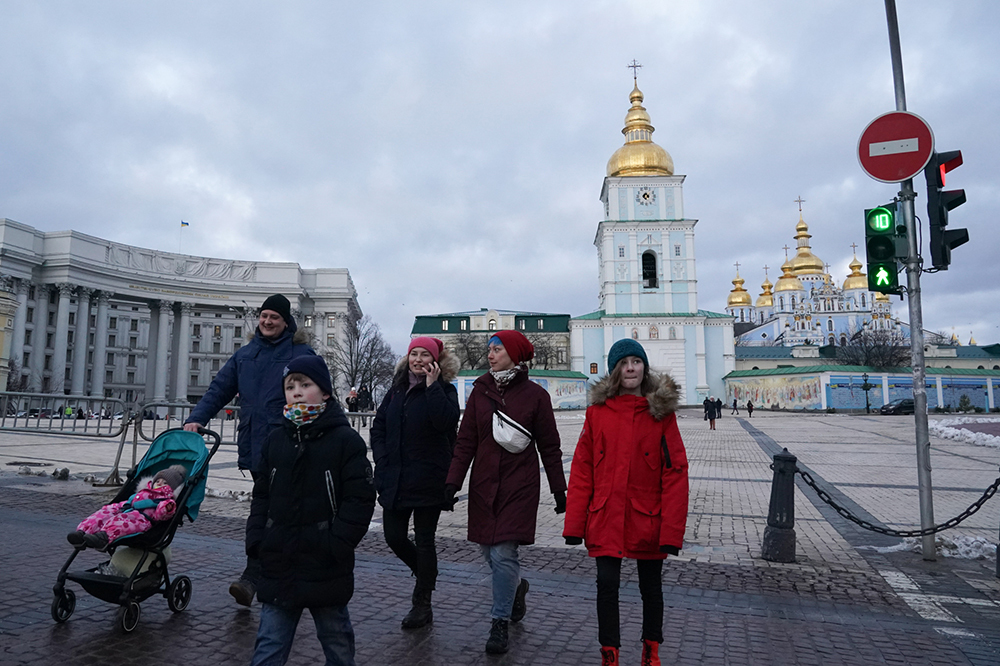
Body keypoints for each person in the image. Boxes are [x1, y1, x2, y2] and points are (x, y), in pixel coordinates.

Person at [563, 339, 689, 666]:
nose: (630, 367)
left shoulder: (660, 415)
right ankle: (610, 653)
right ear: (615, 370)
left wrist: (672, 532)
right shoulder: (597, 414)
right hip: (605, 515)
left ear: (644, 368)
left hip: (648, 517)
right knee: (606, 586)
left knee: (651, 588)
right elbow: (582, 469)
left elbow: (675, 472)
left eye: (636, 361)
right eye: (624, 362)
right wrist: (575, 524)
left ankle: (651, 650)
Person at [184, 294, 315, 606]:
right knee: (263, 511)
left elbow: (317, 397)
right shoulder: (245, 355)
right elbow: (219, 389)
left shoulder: (301, 355)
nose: (267, 322)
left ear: (287, 322)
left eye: (274, 317)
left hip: (290, 448)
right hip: (257, 448)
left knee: (279, 513)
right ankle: (255, 574)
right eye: (264, 316)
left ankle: (259, 575)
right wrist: (196, 418)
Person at [247, 355, 375, 666]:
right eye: (291, 386)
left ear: (326, 392)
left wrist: (337, 542)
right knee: (269, 645)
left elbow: (359, 499)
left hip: (325, 561)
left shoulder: (346, 441)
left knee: (337, 641)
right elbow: (261, 495)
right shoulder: (276, 439)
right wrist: (256, 539)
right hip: (279, 558)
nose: (297, 392)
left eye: (306, 384)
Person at [446, 329, 567, 655]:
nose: (490, 354)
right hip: (484, 485)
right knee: (488, 552)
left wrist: (559, 490)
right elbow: (466, 441)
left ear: (514, 354)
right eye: (490, 349)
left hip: (520, 486)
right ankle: (512, 593)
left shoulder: (536, 396)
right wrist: (452, 483)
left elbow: (550, 447)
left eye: (497, 349)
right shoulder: (480, 392)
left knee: (502, 553)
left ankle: (499, 622)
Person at [370, 337, 460, 629]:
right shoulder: (396, 390)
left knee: (424, 541)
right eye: (413, 354)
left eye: (424, 355)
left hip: (429, 478)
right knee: (394, 537)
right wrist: (382, 460)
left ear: (435, 360)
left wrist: (433, 386)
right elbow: (380, 425)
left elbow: (445, 422)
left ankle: (422, 602)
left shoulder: (445, 390)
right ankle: (426, 575)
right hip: (394, 476)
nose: (418, 359)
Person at [68, 465, 187, 551]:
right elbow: (131, 501)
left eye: (165, 483)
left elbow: (161, 514)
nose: (160, 483)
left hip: (142, 520)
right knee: (104, 512)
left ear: (172, 488)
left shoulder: (165, 500)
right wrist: (117, 506)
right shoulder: (144, 491)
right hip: (127, 509)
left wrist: (167, 508)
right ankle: (83, 532)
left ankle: (104, 537)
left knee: (120, 522)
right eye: (158, 481)